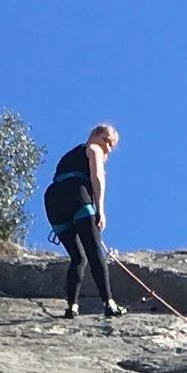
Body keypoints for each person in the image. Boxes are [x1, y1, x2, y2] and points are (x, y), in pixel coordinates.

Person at [43, 124, 122, 318]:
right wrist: (100, 211)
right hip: (76, 195)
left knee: (78, 258)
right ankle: (109, 302)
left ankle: (72, 307)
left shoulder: (68, 156)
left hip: (53, 200)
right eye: (106, 140)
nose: (108, 148)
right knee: (94, 251)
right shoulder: (93, 149)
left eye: (111, 145)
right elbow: (96, 178)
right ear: (94, 135)